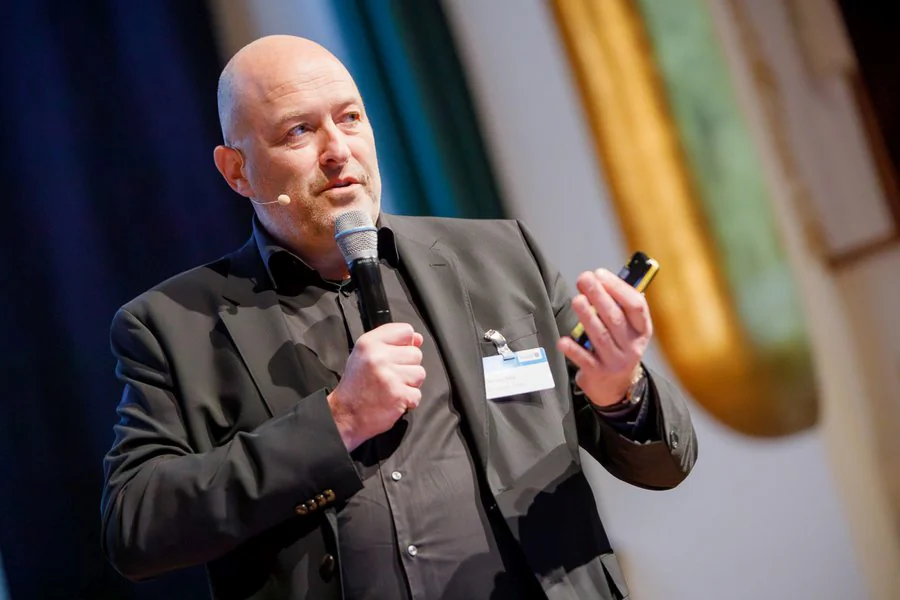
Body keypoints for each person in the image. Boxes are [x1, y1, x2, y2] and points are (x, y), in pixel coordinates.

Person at [101, 35, 696, 600]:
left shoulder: (501, 258)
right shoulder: (176, 324)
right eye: (299, 130)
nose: (338, 150)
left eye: (350, 118)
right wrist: (338, 421)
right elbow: (136, 525)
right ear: (237, 171)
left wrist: (621, 391)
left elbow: (665, 465)